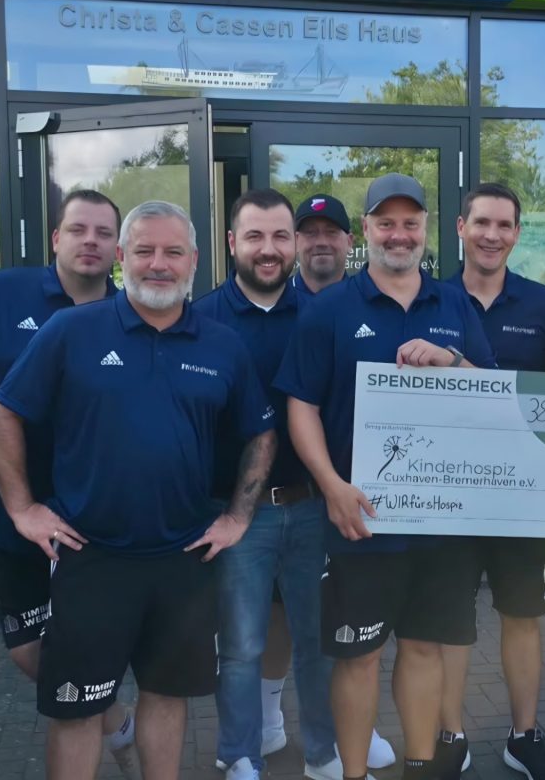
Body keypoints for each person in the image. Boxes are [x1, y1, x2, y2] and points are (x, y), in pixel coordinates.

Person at [0, 200, 277, 780]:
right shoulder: (72, 330)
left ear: (195, 260)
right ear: (122, 257)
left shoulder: (222, 345)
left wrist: (238, 517)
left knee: (167, 698)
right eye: (144, 251)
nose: (159, 264)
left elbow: (260, 432)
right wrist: (22, 508)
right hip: (91, 557)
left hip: (184, 558)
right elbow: (0, 414)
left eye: (173, 252)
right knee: (76, 710)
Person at [275, 173, 496, 780]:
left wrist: (452, 359)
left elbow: (492, 392)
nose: (399, 234)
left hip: (441, 521)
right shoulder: (329, 310)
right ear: (366, 231)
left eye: (410, 223)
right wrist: (331, 487)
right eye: (386, 223)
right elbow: (301, 405)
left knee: (424, 646)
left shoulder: (454, 305)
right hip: (361, 518)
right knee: (359, 656)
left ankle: (420, 766)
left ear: (426, 229)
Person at [0, 189, 137, 775]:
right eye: (78, 229)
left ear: (117, 249)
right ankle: (119, 722)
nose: (91, 241)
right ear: (56, 238)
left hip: (94, 528)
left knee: (79, 656)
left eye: (104, 233)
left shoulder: (134, 312)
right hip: (14, 519)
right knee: (28, 652)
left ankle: (99, 732)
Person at [195, 189, 342, 780]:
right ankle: (240, 754)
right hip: (238, 515)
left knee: (319, 643)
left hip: (313, 506)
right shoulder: (201, 319)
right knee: (240, 647)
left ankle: (325, 752)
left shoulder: (323, 314)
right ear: (232, 242)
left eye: (281, 236)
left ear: (295, 243)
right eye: (254, 236)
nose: (268, 248)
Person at [437, 183, 545, 780]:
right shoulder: (432, 301)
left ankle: (523, 735)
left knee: (523, 615)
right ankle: (450, 736)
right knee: (449, 618)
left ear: (517, 233)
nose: (492, 235)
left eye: (504, 225)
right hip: (447, 491)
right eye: (481, 223)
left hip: (522, 495)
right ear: (461, 227)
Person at [293, 192, 354, 295]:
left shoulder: (369, 301)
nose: (321, 242)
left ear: (349, 242)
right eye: (310, 232)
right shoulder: (276, 299)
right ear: (296, 241)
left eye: (331, 232)